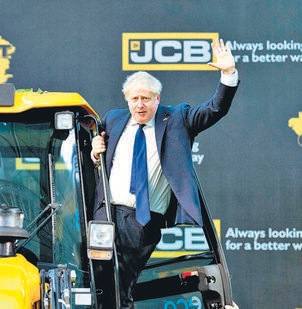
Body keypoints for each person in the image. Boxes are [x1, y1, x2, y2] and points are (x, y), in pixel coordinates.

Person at [90, 38, 239, 308]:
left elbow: (215, 109)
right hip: (105, 216)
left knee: (118, 284)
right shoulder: (112, 119)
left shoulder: (178, 119)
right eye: (134, 99)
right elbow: (94, 145)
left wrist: (228, 74)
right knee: (98, 287)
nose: (139, 105)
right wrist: (94, 146)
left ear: (157, 98)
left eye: (146, 98)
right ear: (127, 100)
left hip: (141, 220)